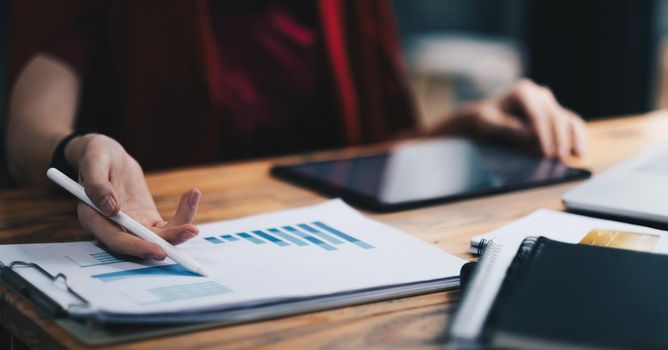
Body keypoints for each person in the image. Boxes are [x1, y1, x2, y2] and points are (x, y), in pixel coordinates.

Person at [6, 0, 587, 261]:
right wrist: (83, 149)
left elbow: (369, 149)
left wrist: (468, 127)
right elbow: (27, 129)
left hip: (324, 258)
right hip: (172, 248)